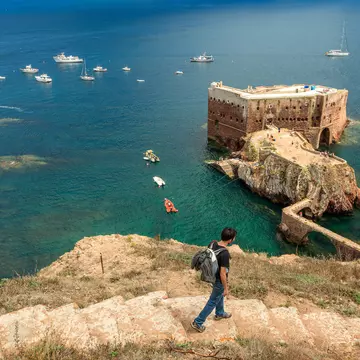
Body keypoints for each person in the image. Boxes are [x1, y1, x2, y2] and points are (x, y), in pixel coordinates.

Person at [191, 227, 237, 333]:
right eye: (234, 238)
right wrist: (226, 288)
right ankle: (198, 322)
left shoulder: (212, 243)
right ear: (230, 240)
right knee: (212, 301)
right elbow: (222, 273)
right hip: (218, 280)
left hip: (211, 275)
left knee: (217, 296)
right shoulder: (225, 254)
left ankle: (220, 313)